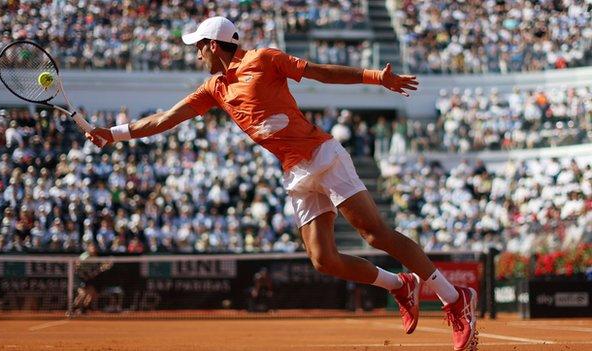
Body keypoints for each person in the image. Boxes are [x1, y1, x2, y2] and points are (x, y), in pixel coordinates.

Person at [86, 16, 478, 350]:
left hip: (322, 155)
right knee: (324, 259)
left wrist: (376, 77)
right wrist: (113, 133)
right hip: (295, 172)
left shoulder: (265, 59)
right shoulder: (214, 89)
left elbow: (321, 74)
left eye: (198, 48)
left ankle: (454, 298)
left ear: (212, 45)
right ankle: (399, 284)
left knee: (375, 234)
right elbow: (164, 119)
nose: (196, 55)